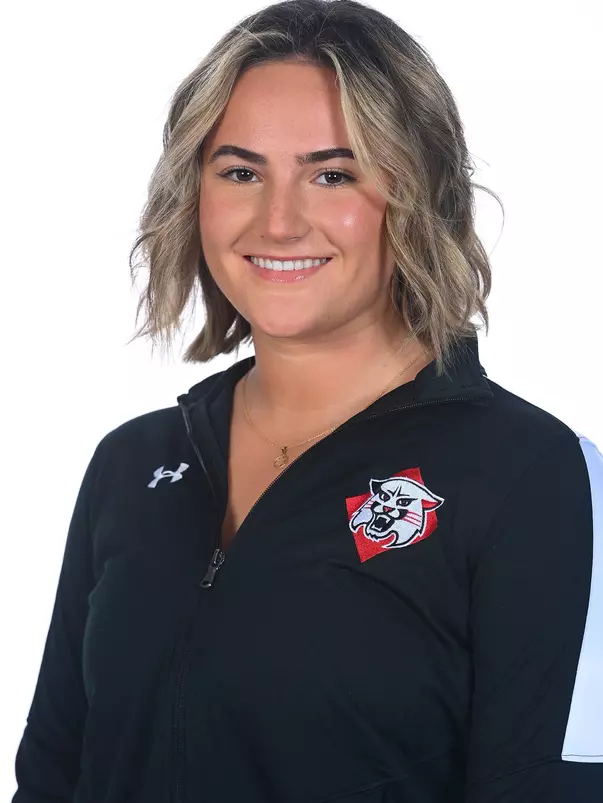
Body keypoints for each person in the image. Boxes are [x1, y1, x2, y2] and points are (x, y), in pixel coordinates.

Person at [11, 1, 603, 801]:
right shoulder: (134, 463)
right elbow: (52, 774)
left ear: (417, 193)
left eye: (333, 174)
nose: (279, 221)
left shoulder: (532, 477)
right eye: (240, 172)